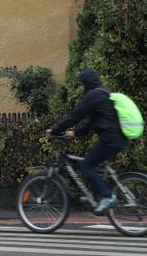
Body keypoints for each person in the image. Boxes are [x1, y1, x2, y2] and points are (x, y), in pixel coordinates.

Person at [48, 67, 128, 215]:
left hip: (109, 139)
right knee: (93, 162)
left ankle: (106, 196)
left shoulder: (93, 95)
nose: (82, 87)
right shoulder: (104, 93)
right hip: (118, 138)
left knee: (86, 165)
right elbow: (93, 123)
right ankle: (92, 195)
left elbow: (75, 116)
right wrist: (75, 133)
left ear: (86, 83)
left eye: (82, 84)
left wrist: (55, 130)